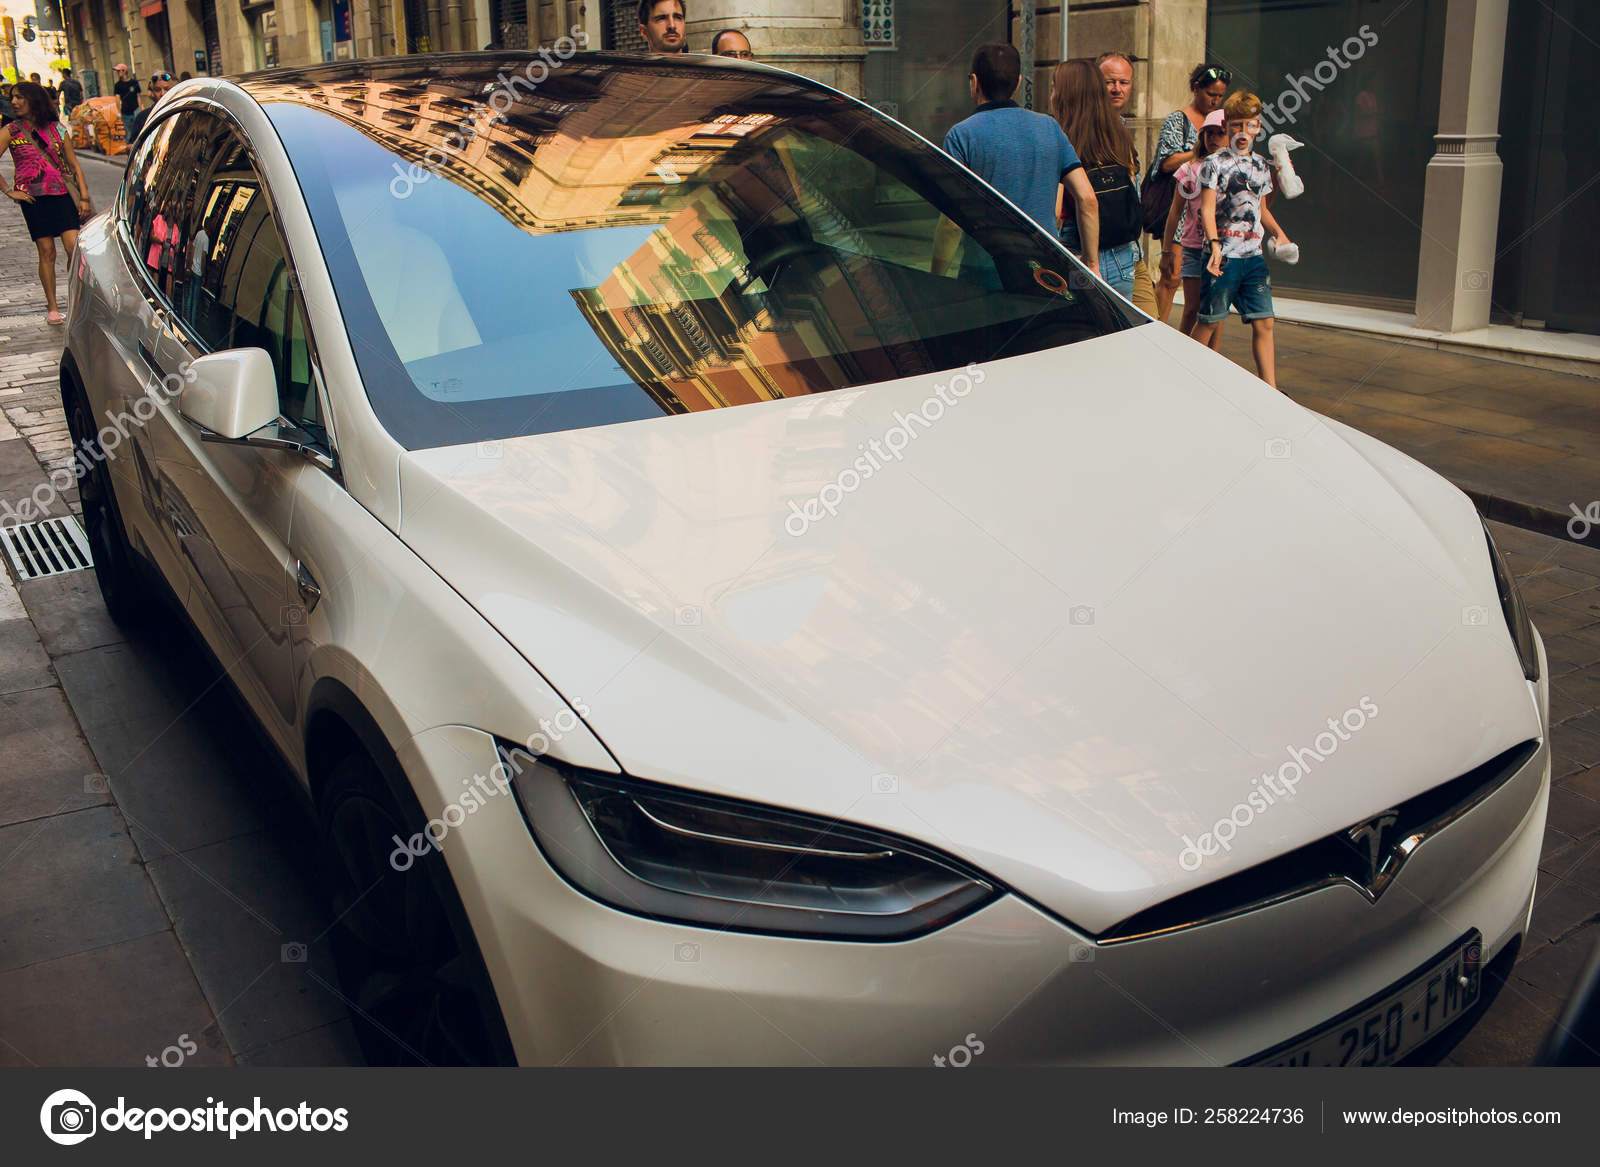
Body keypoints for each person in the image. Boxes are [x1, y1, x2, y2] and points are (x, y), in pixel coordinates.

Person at [934, 43, 1097, 277]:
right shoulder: (1050, 127)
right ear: (1019, 83)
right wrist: (1091, 264)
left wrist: (936, 275)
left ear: (974, 81)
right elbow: (1087, 198)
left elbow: (952, 222)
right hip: (1045, 273)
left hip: (986, 275)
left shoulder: (961, 136)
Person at [1191, 92, 1291, 388]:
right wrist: (1215, 245)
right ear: (1227, 125)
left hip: (1252, 256)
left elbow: (1260, 211)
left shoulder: (1261, 166)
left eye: (1250, 125)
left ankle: (1270, 387)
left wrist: (1279, 232)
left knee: (1265, 320)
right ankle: (1189, 378)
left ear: (1259, 127)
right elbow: (1206, 209)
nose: (1243, 132)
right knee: (1209, 321)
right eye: (1236, 125)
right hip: (1223, 255)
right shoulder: (1214, 163)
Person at [1, 82, 94, 325]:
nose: (14, 101)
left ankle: (79, 299)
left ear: (34, 99)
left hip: (62, 195)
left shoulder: (56, 129)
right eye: (12, 97)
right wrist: (9, 191)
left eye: (19, 97)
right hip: (33, 199)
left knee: (74, 248)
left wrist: (83, 197)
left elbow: (73, 165)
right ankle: (52, 307)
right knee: (47, 251)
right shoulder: (10, 130)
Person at [1050, 58, 1141, 300]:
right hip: (1122, 255)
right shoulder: (1119, 133)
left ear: (1066, 93)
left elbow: (1057, 211)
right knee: (1120, 335)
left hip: (1079, 252)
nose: (1051, 96)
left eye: (1054, 88)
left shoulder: (1062, 138)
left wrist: (1091, 262)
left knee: (1080, 335)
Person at [1151, 63, 1229, 325]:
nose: (1216, 101)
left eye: (1220, 96)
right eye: (1211, 95)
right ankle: (1157, 330)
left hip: (1211, 220)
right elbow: (1165, 162)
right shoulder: (1179, 120)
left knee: (1209, 290)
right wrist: (1201, 152)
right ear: (1196, 89)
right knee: (1171, 277)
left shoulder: (1222, 121)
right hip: (1183, 213)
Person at [1095, 50, 1158, 316]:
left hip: (1131, 252)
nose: (1117, 89)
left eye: (1124, 82)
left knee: (1150, 327)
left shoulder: (1123, 128)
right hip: (1098, 253)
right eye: (1110, 82)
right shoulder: (1084, 129)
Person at [1162, 108, 1226, 342]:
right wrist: (1167, 251)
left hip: (1221, 249)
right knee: (1191, 309)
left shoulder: (1233, 170)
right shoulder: (1189, 169)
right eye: (1208, 133)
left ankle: (1212, 358)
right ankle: (1183, 353)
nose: (1213, 138)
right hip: (1192, 248)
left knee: (1215, 312)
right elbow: (1174, 213)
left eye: (1220, 133)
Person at [126, 73, 174, 146]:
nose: (162, 93)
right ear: (152, 93)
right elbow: (132, 145)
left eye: (166, 89)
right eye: (158, 90)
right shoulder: (143, 117)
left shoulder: (184, 113)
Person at [113, 64, 141, 143]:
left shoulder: (134, 83)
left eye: (119, 71)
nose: (117, 73)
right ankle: (130, 152)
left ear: (124, 71)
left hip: (135, 110)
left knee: (138, 131)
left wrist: (140, 108)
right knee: (128, 133)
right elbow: (117, 99)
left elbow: (138, 96)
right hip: (125, 112)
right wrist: (119, 111)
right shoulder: (117, 85)